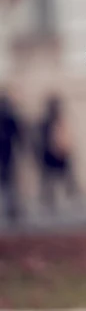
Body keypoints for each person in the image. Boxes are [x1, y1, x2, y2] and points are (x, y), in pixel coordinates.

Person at [37, 95, 79, 214]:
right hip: (51, 156)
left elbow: (65, 138)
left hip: (61, 155)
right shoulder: (46, 121)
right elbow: (45, 140)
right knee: (50, 182)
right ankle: (50, 206)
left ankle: (71, 204)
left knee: (67, 182)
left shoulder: (58, 120)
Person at [0, 92, 22, 224]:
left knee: (10, 184)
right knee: (9, 184)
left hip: (8, 155)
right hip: (7, 155)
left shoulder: (10, 118)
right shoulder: (9, 117)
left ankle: (12, 210)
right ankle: (11, 209)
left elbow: (18, 135)